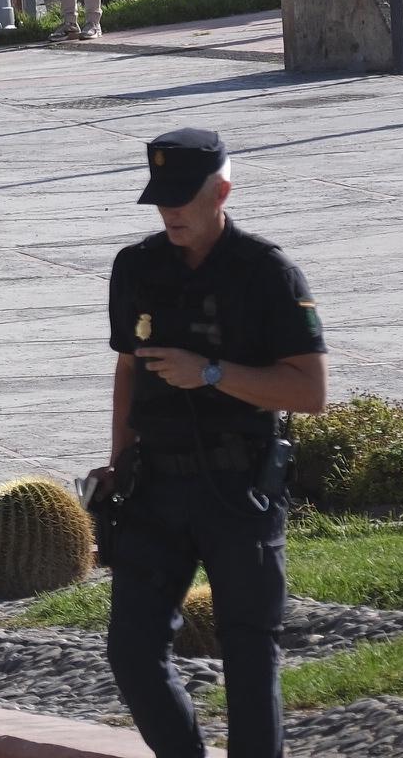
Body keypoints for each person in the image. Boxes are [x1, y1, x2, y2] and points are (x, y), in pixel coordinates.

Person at [102, 129, 328, 758]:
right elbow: (127, 368)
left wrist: (210, 372)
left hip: (238, 488)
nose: (169, 211)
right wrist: (117, 462)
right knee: (132, 650)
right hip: (156, 486)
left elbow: (309, 391)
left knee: (249, 654)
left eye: (183, 197)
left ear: (222, 190)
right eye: (160, 198)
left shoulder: (268, 273)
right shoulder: (137, 266)